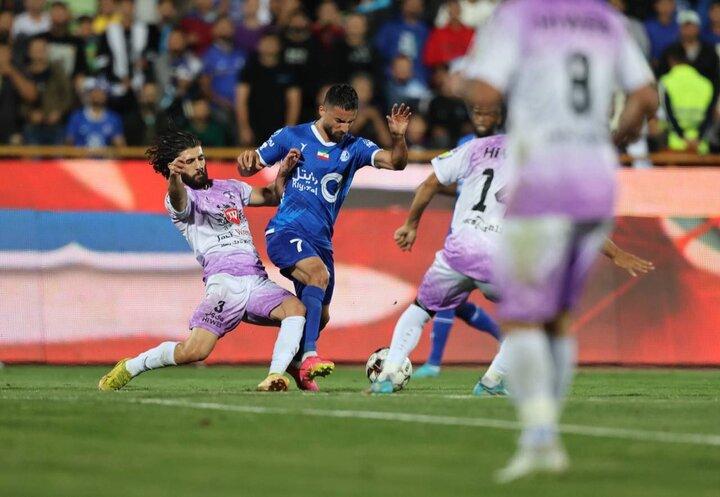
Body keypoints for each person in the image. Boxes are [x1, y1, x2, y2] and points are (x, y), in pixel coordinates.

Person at [463, 0, 657, 482]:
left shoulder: (523, 16)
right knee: (560, 317)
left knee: (524, 316)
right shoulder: (608, 20)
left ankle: (539, 438)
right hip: (597, 178)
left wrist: (466, 74)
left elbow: (484, 90)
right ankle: (546, 436)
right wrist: (616, 138)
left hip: (544, 176)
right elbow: (646, 96)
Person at [98, 131, 307, 393]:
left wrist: (283, 172)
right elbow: (179, 200)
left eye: (200, 158)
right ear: (176, 167)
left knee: (296, 309)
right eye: (190, 161)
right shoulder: (181, 198)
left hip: (256, 280)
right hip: (224, 284)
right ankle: (131, 366)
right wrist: (174, 178)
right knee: (194, 351)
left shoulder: (231, 188)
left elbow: (272, 195)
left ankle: (275, 375)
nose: (199, 165)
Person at [236, 84, 411, 391]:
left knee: (322, 315)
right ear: (322, 110)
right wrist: (246, 161)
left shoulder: (355, 147)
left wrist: (398, 137)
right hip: (285, 231)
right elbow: (250, 168)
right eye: (338, 120)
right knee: (318, 275)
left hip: (321, 242)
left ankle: (294, 365)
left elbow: (396, 162)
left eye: (349, 122)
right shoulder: (291, 136)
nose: (344, 128)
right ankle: (309, 356)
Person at [235, 32, 300, 146]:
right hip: (254, 126)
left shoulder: (288, 69)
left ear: (279, 46)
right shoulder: (249, 69)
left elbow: (294, 102)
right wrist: (244, 128)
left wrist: (289, 130)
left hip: (280, 126)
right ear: (258, 46)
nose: (269, 45)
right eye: (266, 42)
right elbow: (241, 101)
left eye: (272, 42)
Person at [660, 45, 715, 154]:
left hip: (674, 145)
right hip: (700, 146)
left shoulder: (665, 82)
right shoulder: (706, 83)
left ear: (671, 60)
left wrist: (683, 137)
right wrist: (698, 138)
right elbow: (709, 115)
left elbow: (668, 114)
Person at [65, 78, 125, 147]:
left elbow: (120, 145)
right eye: (95, 92)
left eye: (101, 93)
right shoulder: (77, 117)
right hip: (81, 154)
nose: (98, 95)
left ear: (106, 96)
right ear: (89, 94)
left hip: (105, 154)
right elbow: (69, 142)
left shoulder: (114, 119)